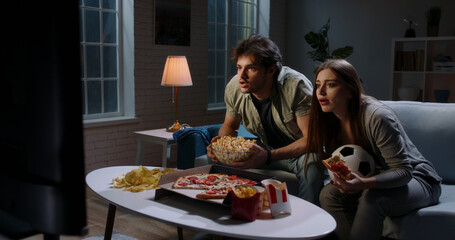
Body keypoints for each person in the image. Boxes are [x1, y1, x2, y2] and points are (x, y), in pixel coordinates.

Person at [305, 59, 442, 240]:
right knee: (329, 194)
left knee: (372, 199)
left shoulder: (376, 117)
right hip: (375, 180)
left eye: (330, 85)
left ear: (350, 91)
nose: (320, 92)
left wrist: (364, 183)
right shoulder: (329, 118)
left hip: (419, 180)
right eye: (318, 85)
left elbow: (404, 171)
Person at [206, 34, 324, 205]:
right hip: (265, 147)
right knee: (213, 158)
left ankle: (306, 226)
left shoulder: (295, 86)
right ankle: (225, 216)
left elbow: (312, 139)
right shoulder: (235, 87)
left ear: (271, 70)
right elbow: (229, 126)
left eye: (251, 68)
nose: (242, 76)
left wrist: (268, 156)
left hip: (298, 153)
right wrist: (221, 147)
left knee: (312, 164)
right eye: (239, 67)